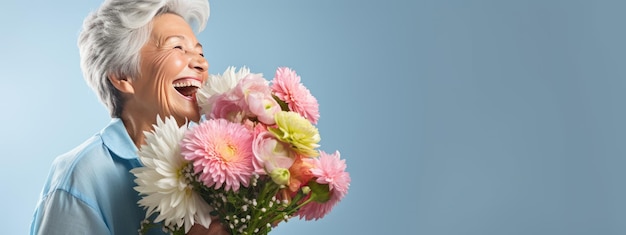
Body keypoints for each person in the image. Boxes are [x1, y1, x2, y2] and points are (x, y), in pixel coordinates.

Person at [30, 0, 228, 234]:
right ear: (123, 74)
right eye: (177, 48)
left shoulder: (213, 169)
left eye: (200, 52)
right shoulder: (82, 175)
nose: (201, 63)